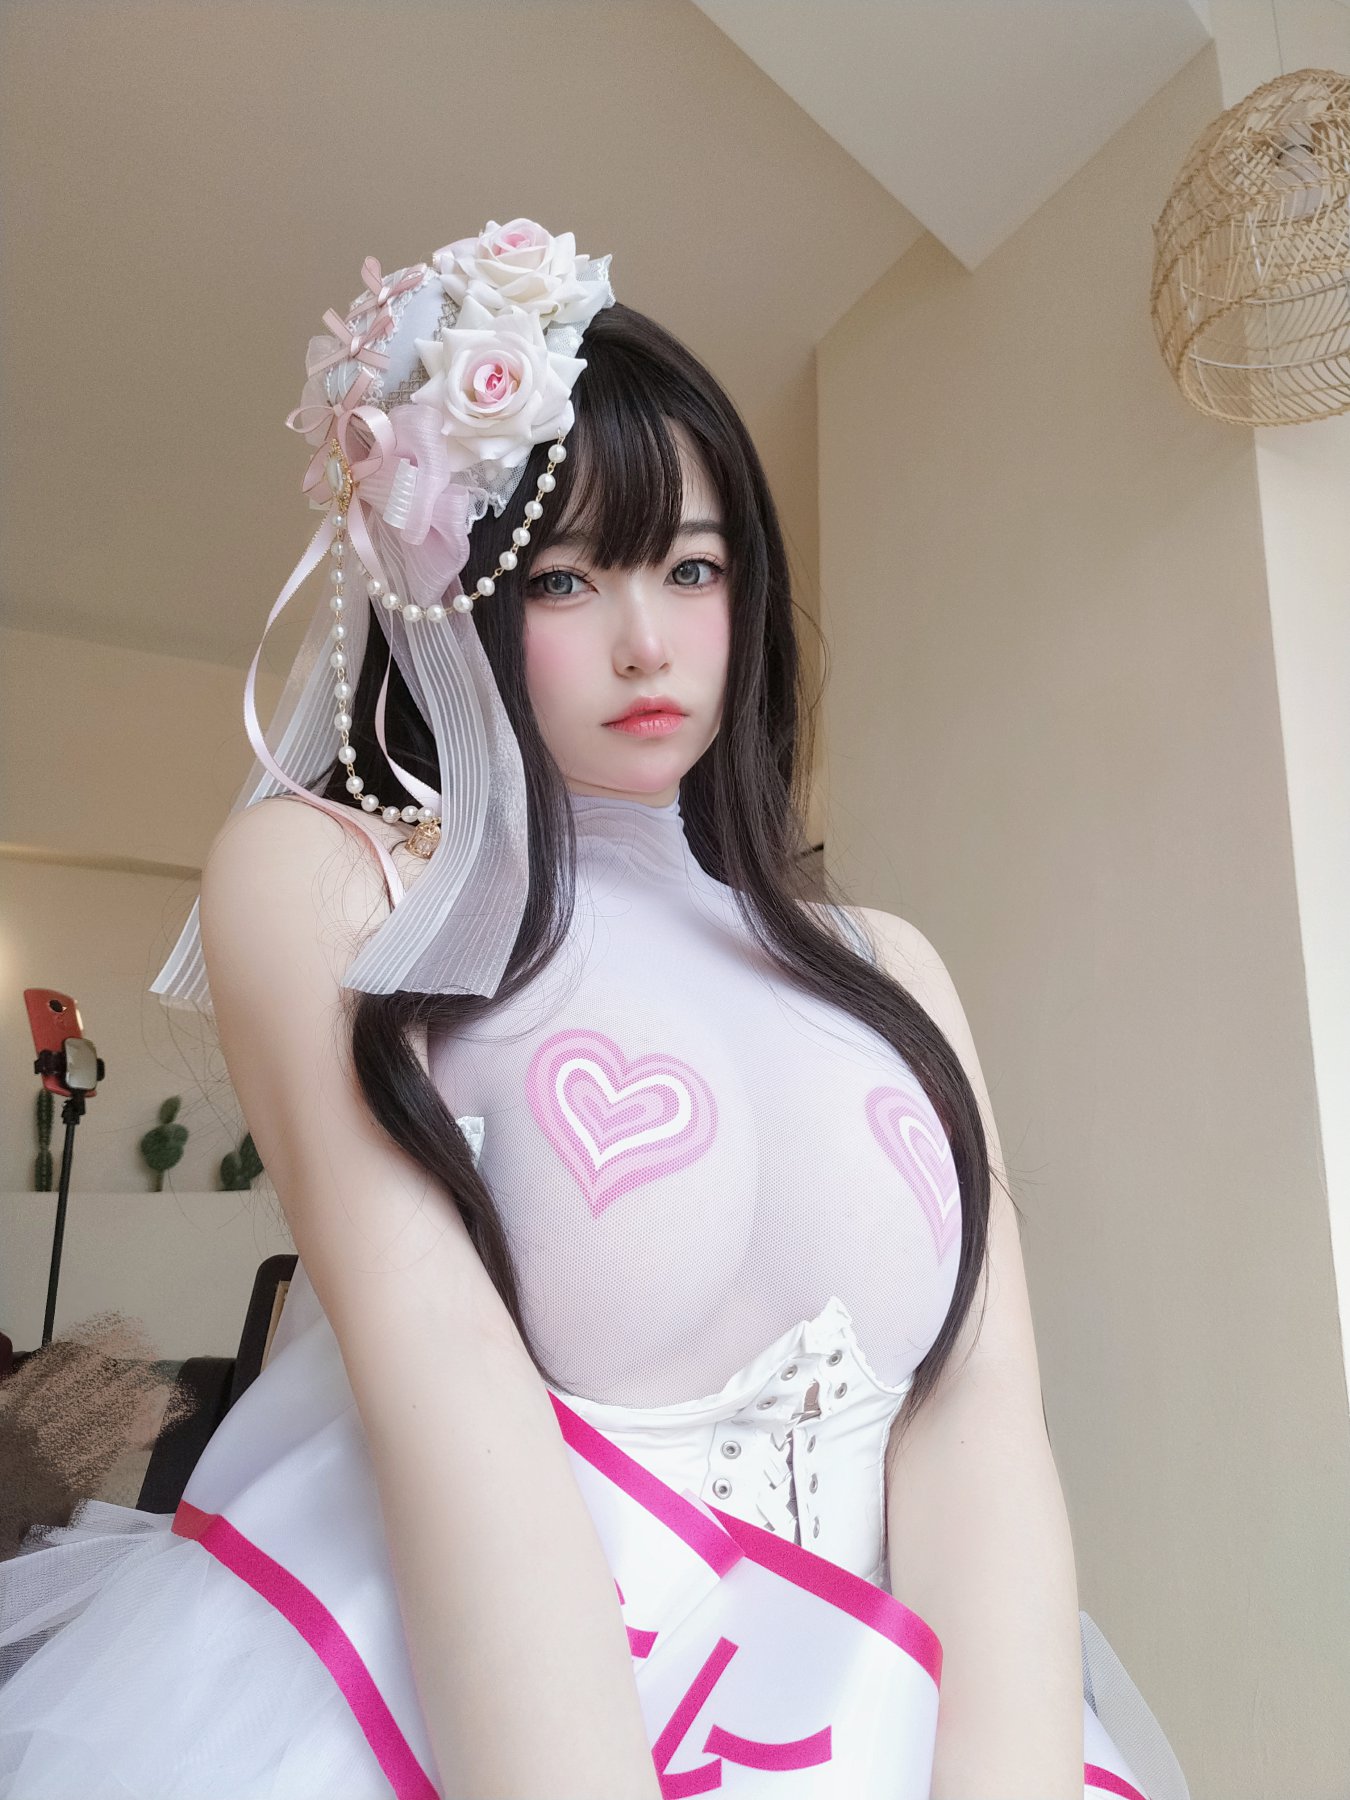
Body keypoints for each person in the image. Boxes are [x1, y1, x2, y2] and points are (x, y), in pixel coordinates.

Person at [0, 220, 1190, 1799]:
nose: (648, 643)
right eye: (566, 576)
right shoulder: (339, 883)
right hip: (461, 1721)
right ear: (451, 592)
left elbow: (977, 1428)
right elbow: (448, 1405)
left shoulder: (887, 963)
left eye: (692, 568)